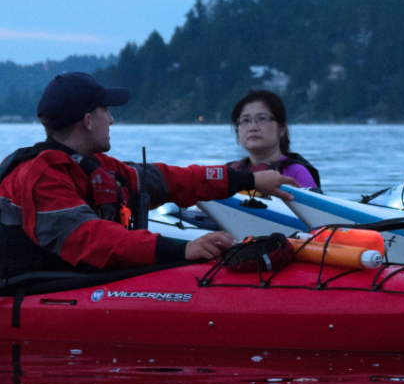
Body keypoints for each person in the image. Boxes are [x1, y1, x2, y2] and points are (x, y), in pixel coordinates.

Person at [0, 72, 295, 278]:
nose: (112, 119)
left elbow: (171, 179)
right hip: (33, 291)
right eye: (107, 111)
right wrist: (184, 249)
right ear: (88, 121)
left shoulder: (96, 165)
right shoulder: (39, 176)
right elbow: (94, 239)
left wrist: (251, 180)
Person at [228, 89, 321, 191]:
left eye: (262, 119)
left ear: (282, 129)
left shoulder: (296, 173)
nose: (252, 127)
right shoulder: (231, 171)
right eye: (245, 120)